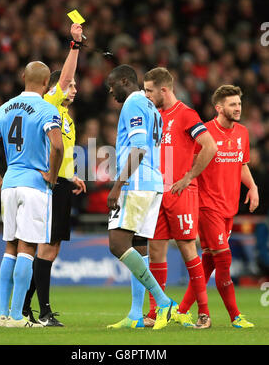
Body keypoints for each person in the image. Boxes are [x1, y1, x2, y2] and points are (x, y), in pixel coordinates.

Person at [0, 61, 64, 328]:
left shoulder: (4, 107)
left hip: (10, 183)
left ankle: (2, 314)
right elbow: (58, 146)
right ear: (47, 83)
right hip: (34, 185)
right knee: (28, 247)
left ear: (23, 77)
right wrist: (52, 174)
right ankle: (17, 316)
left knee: (10, 247)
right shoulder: (47, 109)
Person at [175, 84, 259, 328]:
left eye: (239, 104)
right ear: (218, 107)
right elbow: (189, 163)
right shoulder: (205, 133)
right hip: (207, 206)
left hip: (229, 208)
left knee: (210, 261)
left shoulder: (243, 132)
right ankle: (235, 316)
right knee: (224, 260)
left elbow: (242, 164)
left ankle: (181, 310)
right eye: (232, 104)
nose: (237, 108)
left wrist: (252, 187)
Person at [143, 67, 218, 329]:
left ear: (164, 90)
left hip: (181, 192)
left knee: (188, 249)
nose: (146, 94)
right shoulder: (154, 115)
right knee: (155, 251)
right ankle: (155, 311)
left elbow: (210, 146)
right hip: (156, 192)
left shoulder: (186, 114)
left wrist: (188, 177)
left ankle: (204, 313)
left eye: (149, 90)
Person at [23, 24, 86, 327]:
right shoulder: (49, 105)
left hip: (61, 184)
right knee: (47, 246)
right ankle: (42, 311)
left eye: (74, 88)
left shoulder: (67, 119)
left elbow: (62, 153)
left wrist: (72, 176)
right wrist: (75, 46)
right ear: (52, 89)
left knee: (54, 247)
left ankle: (26, 306)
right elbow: (66, 77)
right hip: (49, 185)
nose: (73, 88)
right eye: (69, 87)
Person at [106, 64, 177, 331]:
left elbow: (137, 148)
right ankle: (136, 314)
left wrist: (117, 186)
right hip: (153, 183)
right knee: (138, 246)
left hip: (136, 182)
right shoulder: (153, 110)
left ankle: (162, 301)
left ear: (124, 81)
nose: (111, 92)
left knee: (117, 244)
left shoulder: (134, 103)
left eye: (112, 86)